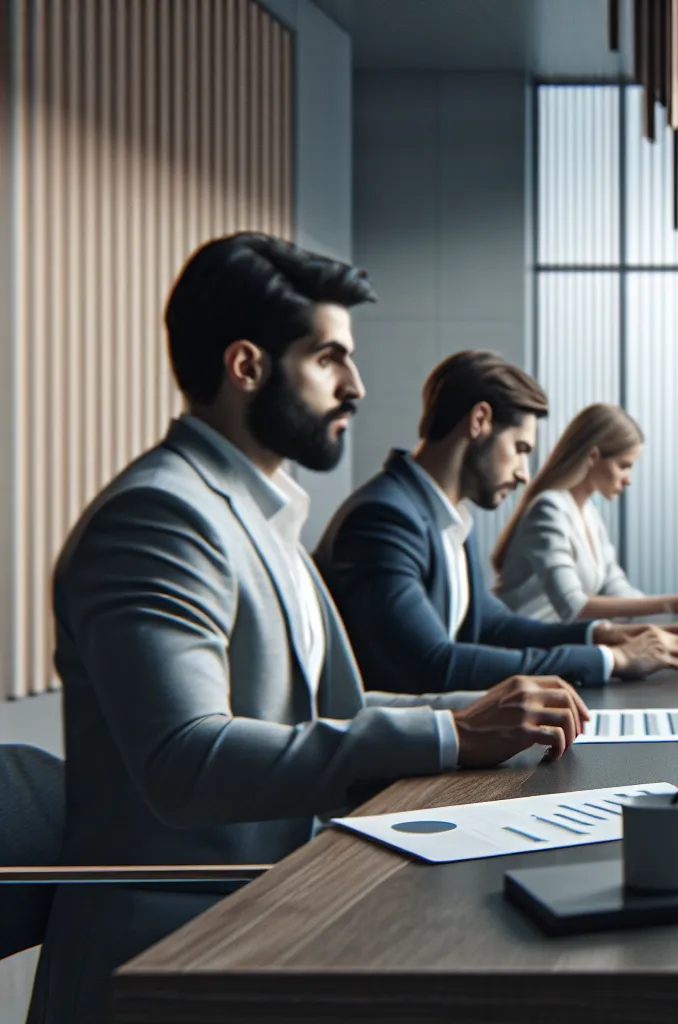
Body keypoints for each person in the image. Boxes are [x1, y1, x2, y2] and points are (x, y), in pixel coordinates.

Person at [33, 235, 591, 1024]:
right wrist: (450, 737)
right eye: (329, 358)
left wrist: (482, 714)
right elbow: (184, 760)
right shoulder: (160, 517)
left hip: (272, 918)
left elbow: (329, 708)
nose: (357, 386)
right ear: (247, 367)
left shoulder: (261, 514)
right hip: (171, 958)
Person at [315, 352, 678, 695]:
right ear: (480, 421)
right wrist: (610, 660)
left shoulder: (445, 517)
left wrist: (599, 634)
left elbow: (493, 625)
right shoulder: (385, 518)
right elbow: (430, 665)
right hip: (394, 771)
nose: (524, 474)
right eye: (519, 449)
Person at [491, 403, 678, 621]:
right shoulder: (549, 510)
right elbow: (574, 606)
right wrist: (673, 603)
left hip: (554, 647)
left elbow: (617, 589)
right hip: (519, 651)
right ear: (594, 456)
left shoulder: (589, 513)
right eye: (624, 466)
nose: (628, 480)